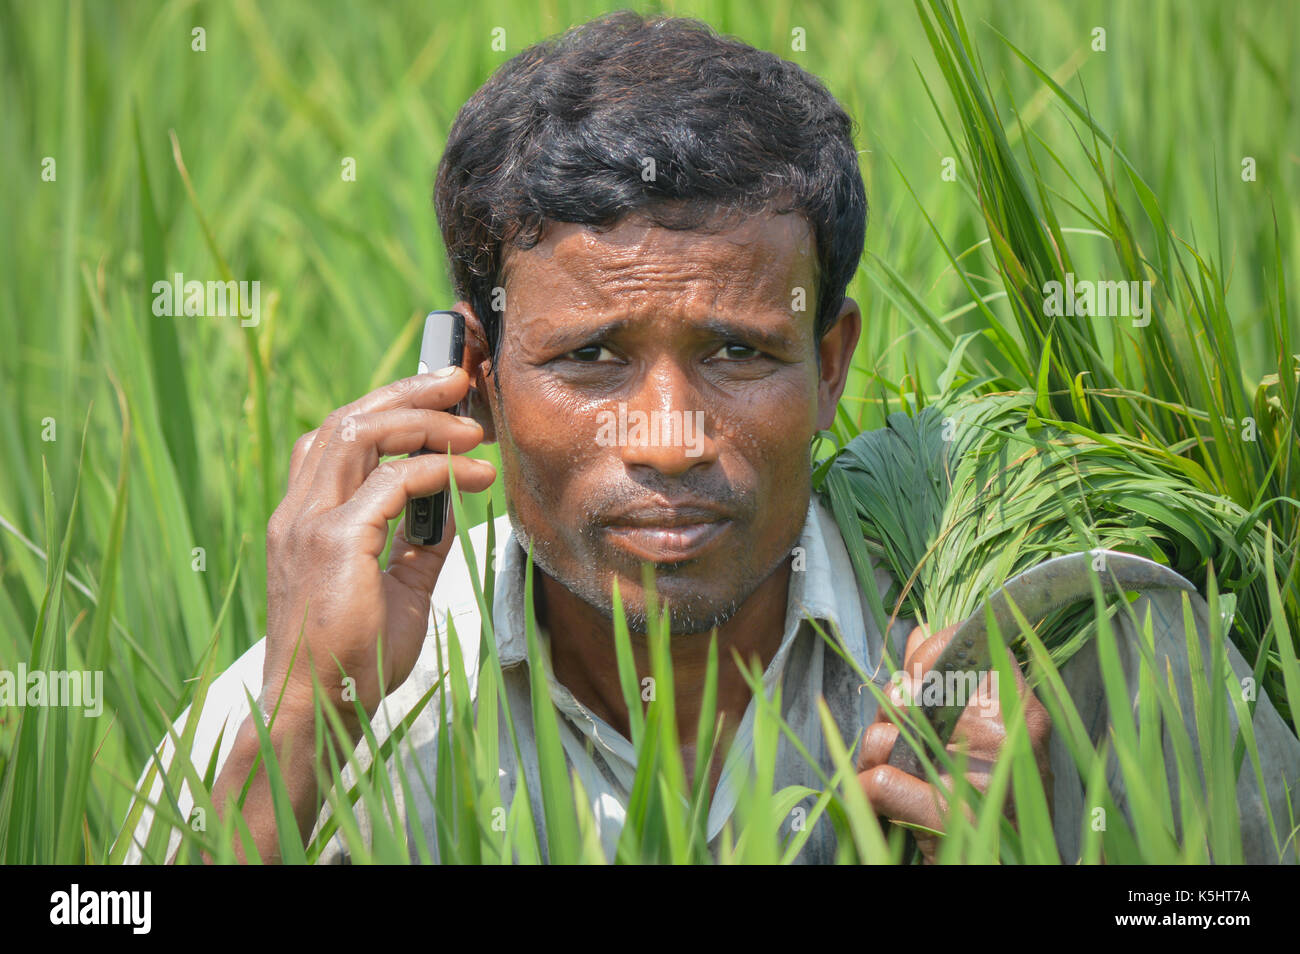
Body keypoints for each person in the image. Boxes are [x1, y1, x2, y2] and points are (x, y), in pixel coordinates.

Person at [123, 10, 1298, 865]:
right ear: (474, 382)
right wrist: (303, 717)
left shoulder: (1010, 663)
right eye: (590, 357)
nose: (671, 438)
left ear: (827, 366)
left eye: (737, 352)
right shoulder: (349, 696)